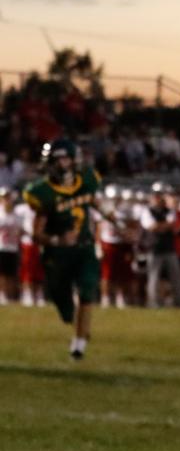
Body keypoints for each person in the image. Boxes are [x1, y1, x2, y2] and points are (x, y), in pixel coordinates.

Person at [22, 139, 113, 358]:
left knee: (87, 289)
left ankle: (79, 343)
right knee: (64, 306)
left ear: (74, 160)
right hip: (57, 253)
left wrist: (117, 221)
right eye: (57, 159)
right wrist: (58, 241)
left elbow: (94, 203)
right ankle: (74, 322)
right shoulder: (42, 192)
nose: (61, 164)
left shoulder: (86, 182)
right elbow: (37, 234)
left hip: (84, 248)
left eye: (65, 158)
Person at [140, 182, 180, 308]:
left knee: (177, 278)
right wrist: (163, 226)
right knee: (153, 278)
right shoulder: (147, 211)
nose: (158, 198)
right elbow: (151, 227)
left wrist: (160, 226)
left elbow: (170, 224)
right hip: (154, 249)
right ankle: (153, 302)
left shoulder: (169, 211)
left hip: (169, 248)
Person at [0, 187, 24, 304]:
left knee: (11, 274)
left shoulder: (16, 215)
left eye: (8, 198)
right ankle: (2, 295)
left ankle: (9, 296)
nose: (7, 200)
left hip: (13, 248)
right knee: (2, 274)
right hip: (1, 247)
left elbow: (20, 231)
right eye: (5, 198)